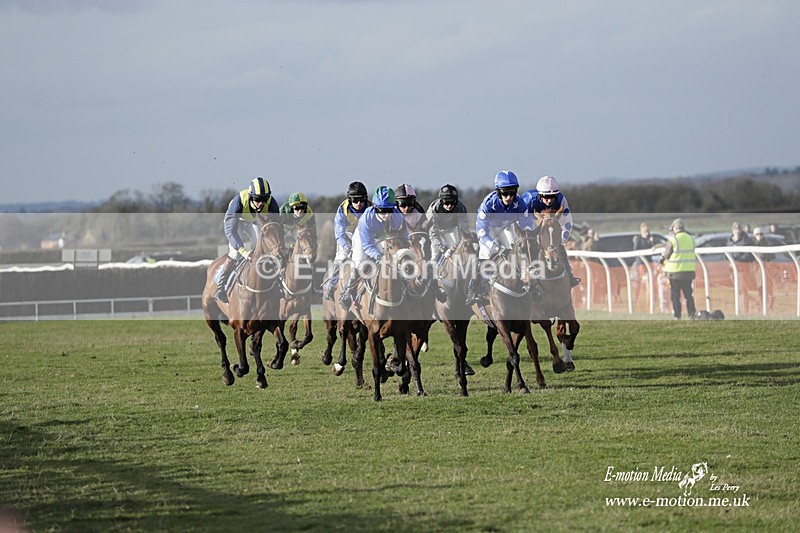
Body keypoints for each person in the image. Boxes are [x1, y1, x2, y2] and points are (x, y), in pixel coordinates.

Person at [466, 170, 535, 305]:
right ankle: (474, 288)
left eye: (512, 192)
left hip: (507, 227)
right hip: (489, 229)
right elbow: (481, 232)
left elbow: (527, 226)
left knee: (518, 250)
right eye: (505, 193)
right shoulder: (488, 204)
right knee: (485, 254)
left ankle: (527, 283)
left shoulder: (520, 203)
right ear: (498, 192)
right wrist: (494, 246)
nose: (509, 197)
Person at [214, 176, 280, 302]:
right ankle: (221, 287)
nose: (261, 203)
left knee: (265, 250)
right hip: (236, 222)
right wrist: (244, 251)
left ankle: (276, 283)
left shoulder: (272, 203)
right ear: (251, 196)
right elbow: (230, 231)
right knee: (235, 253)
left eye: (264, 199)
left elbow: (275, 228)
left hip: (255, 221)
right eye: (257, 199)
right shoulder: (238, 202)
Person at [339, 186, 407, 308]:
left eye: (389, 210)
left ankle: (405, 288)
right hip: (364, 238)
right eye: (382, 210)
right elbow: (368, 245)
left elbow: (404, 237)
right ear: (375, 208)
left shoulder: (398, 217)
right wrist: (379, 257)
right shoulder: (366, 219)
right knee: (359, 261)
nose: (386, 214)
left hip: (385, 238)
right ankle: (347, 292)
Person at [522, 175, 580, 287]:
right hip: (530, 224)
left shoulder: (561, 200)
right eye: (545, 197)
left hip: (549, 227)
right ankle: (522, 274)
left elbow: (567, 223)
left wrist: (560, 241)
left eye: (552, 197)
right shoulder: (528, 199)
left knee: (558, 246)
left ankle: (569, 274)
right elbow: (521, 223)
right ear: (539, 195)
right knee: (526, 246)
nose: (549, 200)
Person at [323, 181, 371, 301]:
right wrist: (346, 247)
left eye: (361, 200)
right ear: (350, 200)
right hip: (347, 237)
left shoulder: (371, 208)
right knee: (341, 257)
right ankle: (331, 284)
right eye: (355, 200)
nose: (359, 203)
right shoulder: (342, 210)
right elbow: (339, 234)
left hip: (365, 238)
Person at [660, 218, 697, 320]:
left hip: (675, 273)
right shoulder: (691, 239)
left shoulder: (673, 240)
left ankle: (677, 315)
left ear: (675, 228)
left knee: (675, 296)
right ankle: (691, 314)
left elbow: (666, 255)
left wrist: (661, 260)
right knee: (688, 295)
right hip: (688, 272)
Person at [427, 184, 471, 262]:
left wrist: (457, 246)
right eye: (446, 202)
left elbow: (463, 231)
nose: (450, 205)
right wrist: (444, 250)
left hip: (450, 229)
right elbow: (433, 235)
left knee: (457, 251)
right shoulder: (433, 210)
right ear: (441, 201)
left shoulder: (460, 208)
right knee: (435, 255)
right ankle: (432, 271)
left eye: (452, 202)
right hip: (435, 232)